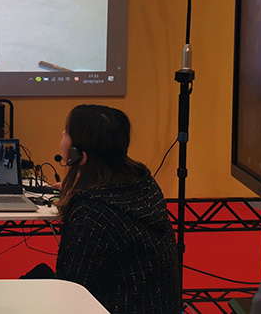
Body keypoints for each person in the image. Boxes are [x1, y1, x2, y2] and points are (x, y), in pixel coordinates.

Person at [55, 104, 180, 314]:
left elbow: (70, 288)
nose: (62, 135)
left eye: (67, 133)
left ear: (79, 155)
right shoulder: (143, 184)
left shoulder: (92, 213)